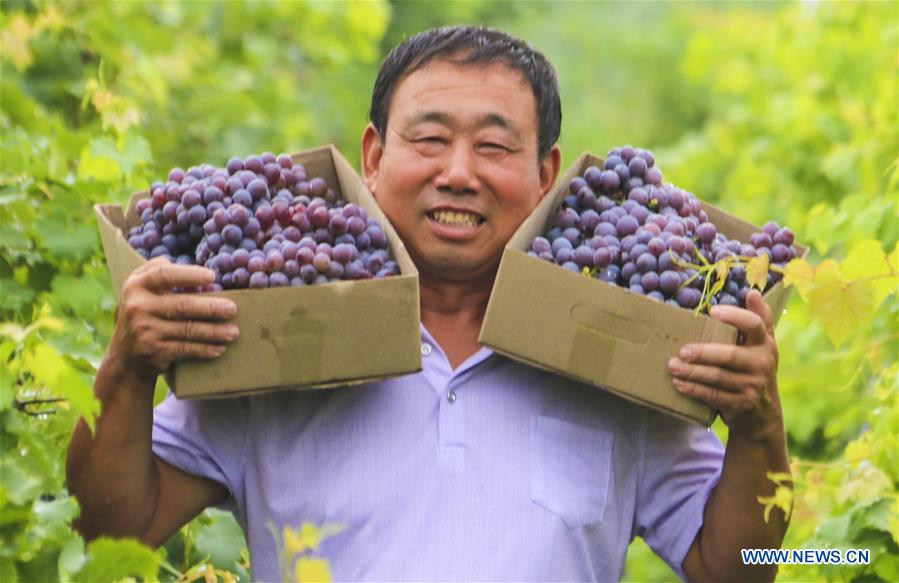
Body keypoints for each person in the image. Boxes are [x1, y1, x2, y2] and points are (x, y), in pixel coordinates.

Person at [67, 26, 789, 582]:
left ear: (545, 177)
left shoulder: (617, 352)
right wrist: (125, 367)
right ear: (374, 158)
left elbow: (737, 566)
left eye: (494, 147)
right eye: (431, 138)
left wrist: (758, 426)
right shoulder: (277, 335)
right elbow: (108, 530)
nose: (458, 172)